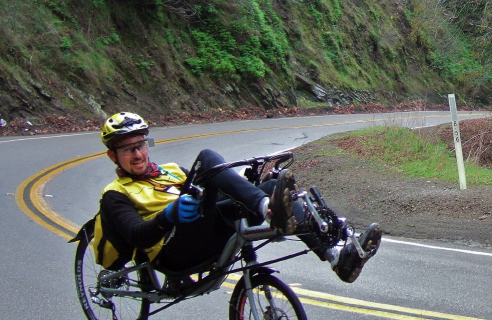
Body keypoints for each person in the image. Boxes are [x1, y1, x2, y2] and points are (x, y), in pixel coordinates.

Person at [97, 112, 380, 288]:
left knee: (271, 185)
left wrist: (250, 184)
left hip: (205, 231)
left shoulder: (171, 171)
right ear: (113, 156)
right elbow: (135, 235)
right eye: (128, 149)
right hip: (174, 250)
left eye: (141, 145)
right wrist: (166, 215)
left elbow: (216, 194)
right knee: (208, 158)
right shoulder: (116, 193)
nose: (138, 155)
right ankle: (267, 210)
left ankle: (337, 259)